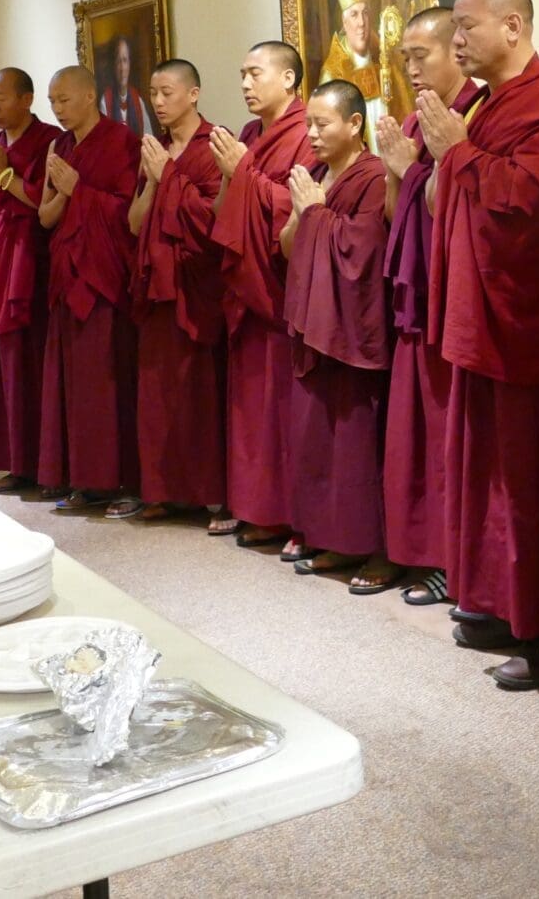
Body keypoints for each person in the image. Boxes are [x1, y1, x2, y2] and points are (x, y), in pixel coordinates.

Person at [420, 0, 539, 690]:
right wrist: (446, 157)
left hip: (529, 318)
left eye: (468, 26)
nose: (456, 40)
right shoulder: (480, 105)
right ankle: (498, 602)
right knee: (485, 474)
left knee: (530, 484)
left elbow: (533, 196)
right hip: (482, 312)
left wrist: (457, 152)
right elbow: (449, 192)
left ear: (515, 26)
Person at [374, 7, 483, 606]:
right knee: (417, 432)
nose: (412, 68)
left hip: (454, 293)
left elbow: (457, 208)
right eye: (405, 58)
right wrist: (400, 170)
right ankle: (422, 552)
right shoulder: (418, 119)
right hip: (417, 292)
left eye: (423, 55)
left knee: (447, 433)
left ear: (455, 49)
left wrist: (417, 167)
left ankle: (452, 559)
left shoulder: (469, 113)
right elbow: (397, 212)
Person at [280, 80, 399, 593]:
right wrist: (303, 211)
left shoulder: (372, 177)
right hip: (319, 325)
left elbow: (366, 248)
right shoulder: (319, 176)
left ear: (355, 124)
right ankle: (334, 538)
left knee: (357, 441)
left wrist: (316, 214)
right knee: (320, 439)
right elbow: (288, 246)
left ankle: (376, 550)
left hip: (355, 329)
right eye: (307, 124)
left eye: (322, 124)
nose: (311, 134)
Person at [210, 41, 316, 551]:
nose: (246, 85)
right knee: (253, 403)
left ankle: (292, 515)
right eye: (242, 75)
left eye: (255, 73)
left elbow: (300, 204)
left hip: (280, 289)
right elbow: (227, 205)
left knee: (282, 407)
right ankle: (256, 506)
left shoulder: (305, 132)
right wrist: (238, 177)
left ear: (289, 79)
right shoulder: (250, 135)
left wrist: (244, 175)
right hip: (248, 290)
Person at [122, 59, 229, 523]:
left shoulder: (214, 145)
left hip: (195, 284)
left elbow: (213, 222)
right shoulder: (156, 149)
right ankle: (163, 490)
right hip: (159, 289)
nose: (159, 102)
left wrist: (169, 177)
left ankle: (209, 493)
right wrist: (154, 181)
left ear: (194, 93)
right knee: (157, 393)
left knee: (197, 392)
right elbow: (134, 221)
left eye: (167, 92)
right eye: (153, 93)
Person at [37, 64, 144, 510]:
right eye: (52, 101)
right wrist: (67, 193)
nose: (58, 109)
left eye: (64, 99)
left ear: (88, 97)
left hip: (103, 279)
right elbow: (45, 215)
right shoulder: (59, 146)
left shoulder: (121, 141)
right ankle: (85, 479)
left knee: (106, 380)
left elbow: (127, 214)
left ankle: (120, 482)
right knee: (75, 385)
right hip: (68, 276)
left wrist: (78, 189)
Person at [0, 68, 63, 494]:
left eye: (1, 98)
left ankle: (45, 465)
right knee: (5, 366)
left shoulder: (50, 142)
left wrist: (5, 175)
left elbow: (43, 200)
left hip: (32, 268)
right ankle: (16, 463)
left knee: (32, 365)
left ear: (26, 99)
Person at [317, 0, 390, 139]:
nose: (361, 23)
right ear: (344, 22)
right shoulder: (333, 73)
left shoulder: (384, 62)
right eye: (354, 14)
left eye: (365, 13)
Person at [100, 36, 151, 137]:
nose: (122, 68)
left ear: (130, 64)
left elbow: (148, 137)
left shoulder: (138, 100)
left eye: (125, 60)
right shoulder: (105, 101)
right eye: (118, 61)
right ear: (113, 66)